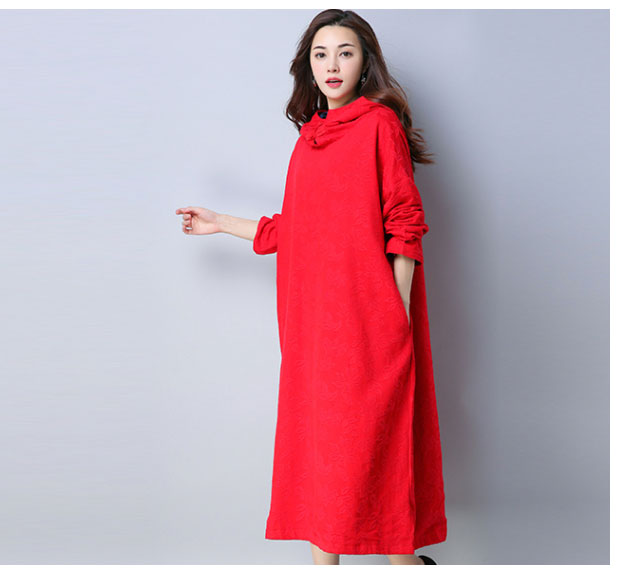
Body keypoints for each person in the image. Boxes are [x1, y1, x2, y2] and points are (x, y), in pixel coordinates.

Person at [175, 9, 446, 566]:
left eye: (345, 52)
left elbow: (405, 221)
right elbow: (299, 230)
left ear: (365, 63)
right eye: (321, 54)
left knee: (375, 443)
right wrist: (220, 222)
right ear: (308, 66)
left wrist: (393, 311)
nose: (332, 65)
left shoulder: (378, 125)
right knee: (323, 451)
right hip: (313, 328)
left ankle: (406, 564)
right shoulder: (309, 139)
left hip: (368, 322)